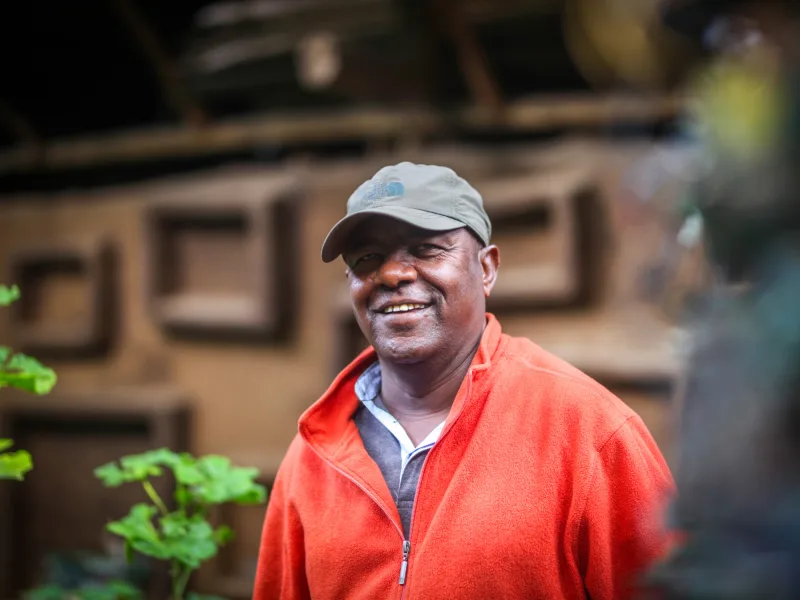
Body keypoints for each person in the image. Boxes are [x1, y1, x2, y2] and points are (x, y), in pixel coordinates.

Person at [253, 162, 675, 600]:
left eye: (426, 249)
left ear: (487, 268)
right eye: (367, 258)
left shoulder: (588, 429)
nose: (393, 274)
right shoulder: (315, 451)